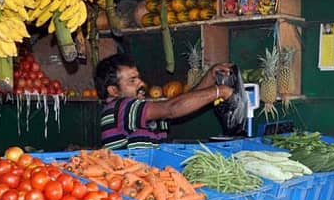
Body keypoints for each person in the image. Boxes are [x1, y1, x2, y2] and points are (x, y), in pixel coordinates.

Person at [94, 54, 233, 149]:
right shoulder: (121, 107)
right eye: (132, 81)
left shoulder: (137, 109)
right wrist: (218, 91)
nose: (141, 83)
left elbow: (184, 103)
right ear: (114, 91)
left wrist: (210, 77)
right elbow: (172, 109)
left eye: (139, 78)